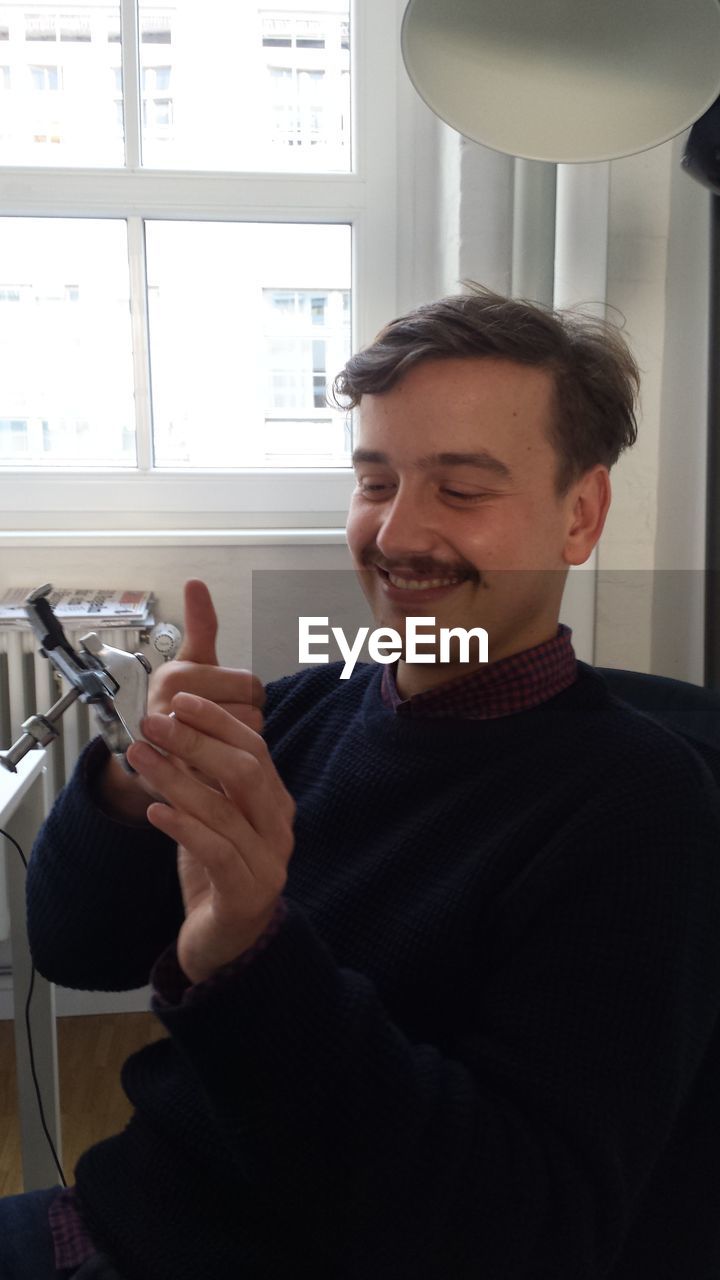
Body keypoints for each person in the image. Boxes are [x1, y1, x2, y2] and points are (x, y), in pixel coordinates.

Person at [4, 288, 720, 1279]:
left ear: (580, 514)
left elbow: (520, 1227)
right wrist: (138, 786)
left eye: (462, 490)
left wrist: (253, 958)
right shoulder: (300, 711)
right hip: (107, 1217)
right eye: (376, 481)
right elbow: (74, 947)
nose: (396, 535)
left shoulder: (640, 810)